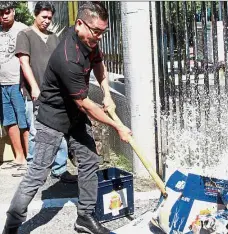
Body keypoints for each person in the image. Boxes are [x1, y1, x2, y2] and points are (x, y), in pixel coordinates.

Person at [3, 2, 132, 234]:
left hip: (75, 115)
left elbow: (98, 64)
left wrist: (107, 93)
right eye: (97, 31)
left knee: (90, 160)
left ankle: (84, 217)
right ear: (80, 24)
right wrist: (117, 126)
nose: (100, 37)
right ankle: (11, 226)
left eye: (104, 32)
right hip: (52, 117)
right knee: (38, 174)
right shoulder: (67, 56)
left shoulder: (89, 40)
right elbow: (87, 105)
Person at [16, 1, 77, 183]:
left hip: (55, 93)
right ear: (36, 15)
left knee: (59, 130)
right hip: (34, 93)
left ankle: (59, 169)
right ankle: (35, 170)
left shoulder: (53, 37)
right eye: (44, 17)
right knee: (36, 131)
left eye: (50, 18)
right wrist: (34, 86)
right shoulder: (25, 35)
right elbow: (23, 62)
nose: (47, 21)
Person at [0, 2, 29, 170]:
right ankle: (19, 158)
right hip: (1, 83)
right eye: (1, 12)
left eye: (7, 12)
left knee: (23, 121)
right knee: (9, 121)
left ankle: (29, 159)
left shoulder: (22, 29)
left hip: (17, 83)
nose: (4, 15)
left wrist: (26, 82)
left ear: (13, 12)